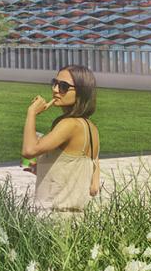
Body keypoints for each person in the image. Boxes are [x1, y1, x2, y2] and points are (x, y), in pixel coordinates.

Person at [23, 65, 100, 215]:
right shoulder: (91, 128)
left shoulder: (69, 125)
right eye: (55, 83)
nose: (56, 89)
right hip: (75, 219)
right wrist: (43, 168)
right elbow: (93, 187)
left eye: (64, 86)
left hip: (54, 217)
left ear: (81, 91)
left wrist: (31, 112)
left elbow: (29, 150)